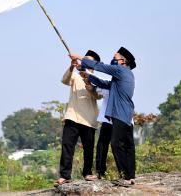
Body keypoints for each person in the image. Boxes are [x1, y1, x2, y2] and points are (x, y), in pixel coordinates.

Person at [70, 47, 137, 185]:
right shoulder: (126, 74)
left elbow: (100, 66)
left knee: (117, 144)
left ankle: (125, 176)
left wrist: (80, 58)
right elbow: (106, 84)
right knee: (128, 145)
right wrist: (88, 76)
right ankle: (130, 175)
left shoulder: (120, 70)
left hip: (120, 113)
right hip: (126, 113)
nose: (112, 60)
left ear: (123, 61)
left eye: (115, 58)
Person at [55, 50, 102, 186]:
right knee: (67, 146)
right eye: (84, 59)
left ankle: (87, 173)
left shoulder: (97, 79)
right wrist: (71, 66)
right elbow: (64, 80)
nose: (84, 61)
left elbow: (98, 96)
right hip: (72, 116)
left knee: (88, 148)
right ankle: (65, 175)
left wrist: (89, 84)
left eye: (88, 60)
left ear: (93, 64)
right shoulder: (75, 76)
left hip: (89, 118)